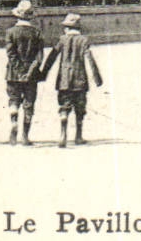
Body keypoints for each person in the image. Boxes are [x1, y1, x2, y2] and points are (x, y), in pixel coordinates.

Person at [40, 12, 104, 148]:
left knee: (64, 105)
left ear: (67, 28)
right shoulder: (83, 40)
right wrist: (97, 78)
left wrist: (43, 73)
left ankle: (63, 133)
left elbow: (52, 56)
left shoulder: (62, 40)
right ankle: (78, 136)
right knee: (80, 108)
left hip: (63, 80)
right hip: (79, 79)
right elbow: (90, 59)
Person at [3, 0, 45, 146]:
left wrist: (19, 70)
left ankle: (14, 122)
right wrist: (29, 71)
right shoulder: (36, 33)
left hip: (13, 73)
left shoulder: (10, 32)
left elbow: (11, 54)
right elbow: (39, 57)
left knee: (13, 100)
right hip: (31, 75)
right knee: (29, 103)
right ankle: (25, 136)